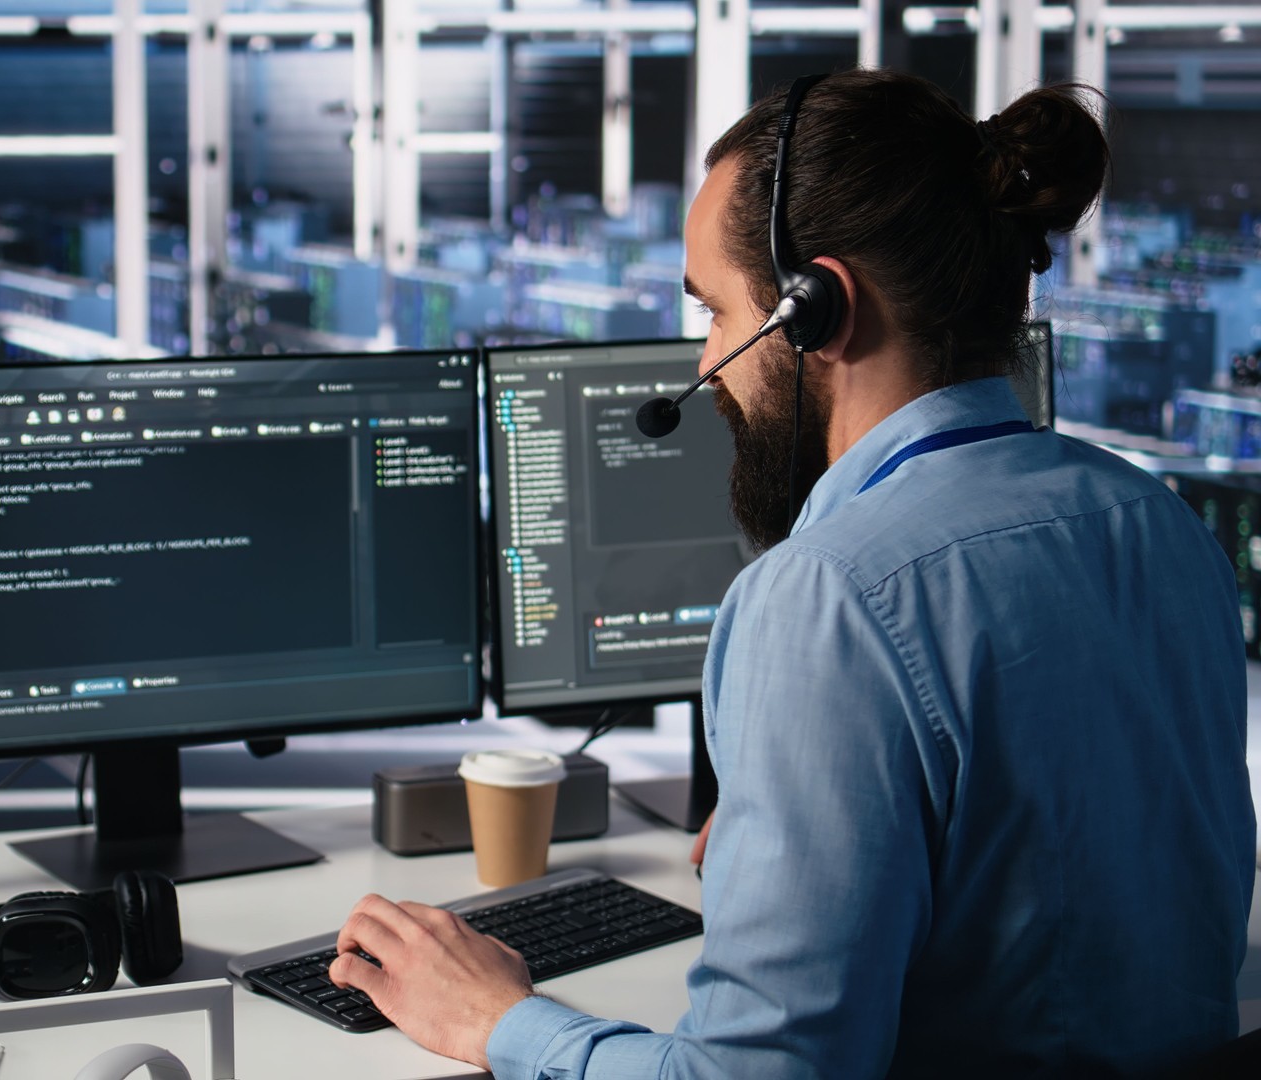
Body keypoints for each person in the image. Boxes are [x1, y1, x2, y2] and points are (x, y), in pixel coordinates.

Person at [330, 68, 1255, 1077]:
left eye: (719, 315)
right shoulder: (1160, 528)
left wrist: (498, 1020)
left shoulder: (831, 598)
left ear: (818, 310)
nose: (704, 367)